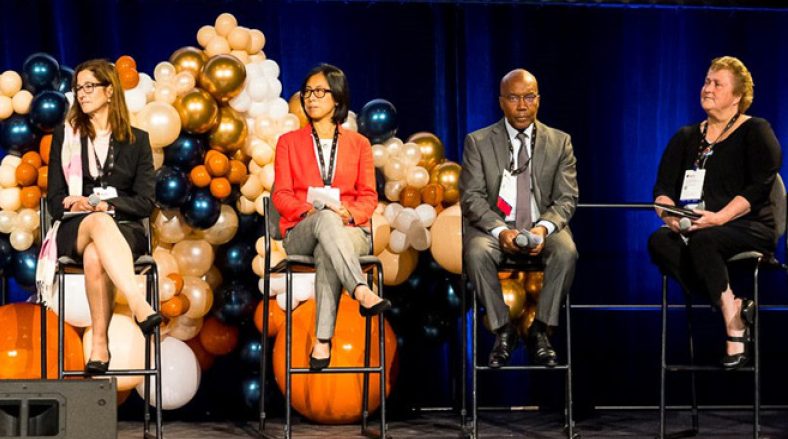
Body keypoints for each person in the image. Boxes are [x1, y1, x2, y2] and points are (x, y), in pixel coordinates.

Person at [648, 56, 782, 370]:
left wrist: (719, 218)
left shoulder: (756, 130)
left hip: (748, 225)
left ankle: (734, 329)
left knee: (704, 240)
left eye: (716, 84)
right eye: (706, 81)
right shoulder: (685, 137)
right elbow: (661, 189)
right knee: (659, 241)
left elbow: (760, 186)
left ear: (737, 96)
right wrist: (669, 215)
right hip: (697, 227)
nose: (707, 88)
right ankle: (732, 305)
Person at [38, 59, 161, 375]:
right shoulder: (65, 137)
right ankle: (139, 304)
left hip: (123, 228)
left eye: (89, 86)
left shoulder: (137, 141)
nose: (81, 93)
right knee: (95, 224)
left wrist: (109, 206)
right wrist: (73, 203)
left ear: (109, 91)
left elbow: (145, 202)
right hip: (75, 227)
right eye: (78, 87)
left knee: (96, 253)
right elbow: (54, 201)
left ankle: (100, 345)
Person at [272, 64, 391, 370]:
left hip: (351, 230)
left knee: (331, 238)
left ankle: (322, 342)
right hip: (302, 230)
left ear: (337, 98)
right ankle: (360, 289)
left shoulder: (359, 144)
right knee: (325, 221)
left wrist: (348, 213)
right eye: (308, 92)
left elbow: (369, 197)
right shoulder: (289, 142)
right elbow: (281, 195)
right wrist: (310, 210)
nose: (311, 98)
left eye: (320, 92)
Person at [460, 69, 579, 368]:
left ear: (538, 100)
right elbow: (471, 197)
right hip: (495, 227)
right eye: (513, 98)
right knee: (475, 252)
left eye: (528, 97)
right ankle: (503, 330)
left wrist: (543, 227)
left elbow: (567, 198)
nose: (522, 105)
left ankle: (541, 330)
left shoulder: (560, 142)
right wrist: (500, 231)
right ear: (501, 102)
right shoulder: (478, 141)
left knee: (567, 251)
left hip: (543, 225)